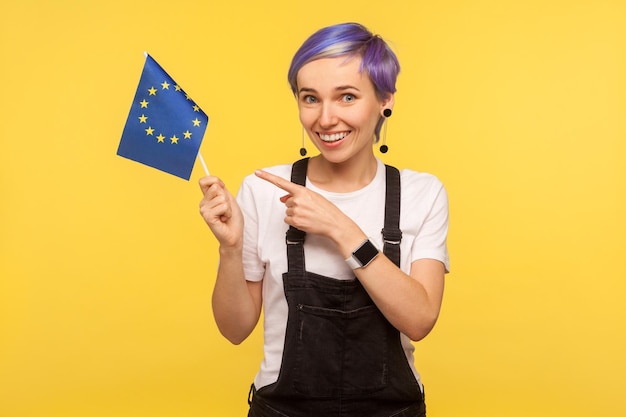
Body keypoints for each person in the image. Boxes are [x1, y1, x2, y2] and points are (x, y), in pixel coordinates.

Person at [199, 22, 450, 417]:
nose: (326, 118)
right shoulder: (263, 190)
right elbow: (234, 330)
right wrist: (229, 250)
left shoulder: (422, 193)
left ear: (386, 99)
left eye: (346, 97)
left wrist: (339, 226)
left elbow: (419, 319)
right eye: (310, 98)